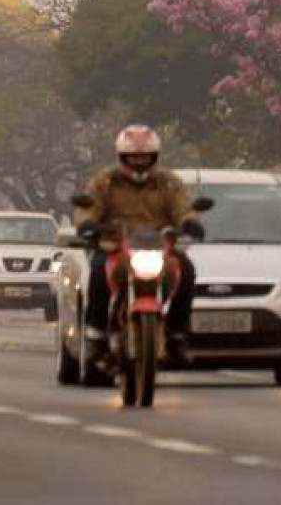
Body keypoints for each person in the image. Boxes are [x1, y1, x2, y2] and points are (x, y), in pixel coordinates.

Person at [77, 124, 199, 365]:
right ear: (122, 157)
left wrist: (189, 222)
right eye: (133, 158)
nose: (139, 163)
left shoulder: (168, 182)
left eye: (144, 158)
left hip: (159, 247)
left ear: (154, 157)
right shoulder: (105, 182)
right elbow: (88, 207)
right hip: (116, 246)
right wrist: (88, 224)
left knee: (187, 270)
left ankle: (176, 333)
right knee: (98, 270)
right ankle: (96, 334)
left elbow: (183, 207)